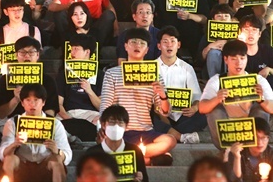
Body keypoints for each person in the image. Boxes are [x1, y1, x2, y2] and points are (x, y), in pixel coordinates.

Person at [100, 27, 176, 165]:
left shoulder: (155, 75)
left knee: (170, 140)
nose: (137, 45)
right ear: (125, 46)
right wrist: (104, 128)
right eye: (133, 42)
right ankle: (145, 157)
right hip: (121, 130)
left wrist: (162, 95)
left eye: (142, 43)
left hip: (146, 130)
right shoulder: (112, 73)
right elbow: (106, 105)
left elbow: (164, 112)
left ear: (147, 50)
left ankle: (134, 156)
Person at [199, 39, 273, 150]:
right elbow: (202, 108)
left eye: (242, 58)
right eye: (234, 59)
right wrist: (216, 99)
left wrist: (261, 100)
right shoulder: (217, 80)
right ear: (225, 59)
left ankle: (255, 148)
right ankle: (227, 150)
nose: (239, 63)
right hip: (228, 131)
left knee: (262, 109)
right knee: (214, 111)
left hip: (250, 129)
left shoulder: (257, 80)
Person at [0, 84, 72, 182]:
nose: (32, 104)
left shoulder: (55, 124)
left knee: (57, 159)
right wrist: (14, 145)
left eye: (36, 100)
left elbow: (67, 154)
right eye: (28, 100)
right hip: (22, 165)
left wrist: (57, 151)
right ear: (22, 103)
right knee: (9, 159)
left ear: (43, 102)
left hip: (44, 165)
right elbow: (2, 153)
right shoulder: (13, 122)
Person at [153, 26, 206, 144]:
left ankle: (170, 133)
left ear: (179, 45)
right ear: (159, 46)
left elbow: (197, 97)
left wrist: (194, 108)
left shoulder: (187, 68)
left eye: (173, 41)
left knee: (204, 115)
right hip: (159, 114)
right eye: (165, 42)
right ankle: (181, 136)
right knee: (150, 117)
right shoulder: (151, 68)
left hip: (182, 116)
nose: (169, 45)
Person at [0, 37, 59, 119]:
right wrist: (15, 100)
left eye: (31, 52)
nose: (27, 56)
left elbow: (51, 111)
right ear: (16, 55)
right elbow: (1, 114)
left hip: (41, 121)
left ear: (38, 55)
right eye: (22, 52)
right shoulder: (5, 80)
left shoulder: (48, 80)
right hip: (14, 121)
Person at [56, 34, 102, 142]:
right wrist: (69, 119)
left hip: (91, 114)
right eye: (71, 49)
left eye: (76, 49)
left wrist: (89, 91)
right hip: (69, 113)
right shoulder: (63, 74)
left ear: (87, 52)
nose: (72, 53)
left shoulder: (99, 74)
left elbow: (102, 106)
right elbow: (58, 104)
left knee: (104, 121)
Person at [85, 104, 149, 182]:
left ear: (126, 126)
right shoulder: (92, 153)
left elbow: (145, 179)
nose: (116, 126)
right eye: (112, 122)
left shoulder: (135, 151)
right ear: (103, 124)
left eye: (120, 123)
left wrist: (140, 179)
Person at [225, 117, 273, 182]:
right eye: (255, 138)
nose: (260, 143)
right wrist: (237, 158)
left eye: (263, 138)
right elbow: (234, 180)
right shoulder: (237, 152)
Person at [116, 0, 159, 64]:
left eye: (148, 12)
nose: (145, 16)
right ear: (134, 16)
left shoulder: (159, 35)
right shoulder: (125, 35)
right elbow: (122, 59)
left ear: (152, 17)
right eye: (141, 12)